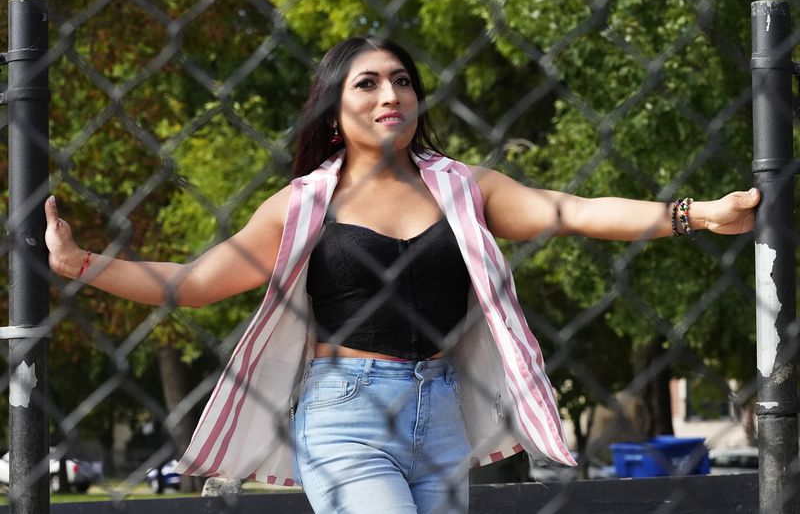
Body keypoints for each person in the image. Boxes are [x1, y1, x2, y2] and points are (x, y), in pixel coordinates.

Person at [44, 36, 760, 513]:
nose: (392, 93)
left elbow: (573, 208)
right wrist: (81, 264)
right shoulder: (303, 204)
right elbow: (196, 282)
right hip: (346, 414)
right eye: (369, 83)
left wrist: (696, 212)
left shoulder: (463, 187)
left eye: (402, 80)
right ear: (334, 111)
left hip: (440, 412)